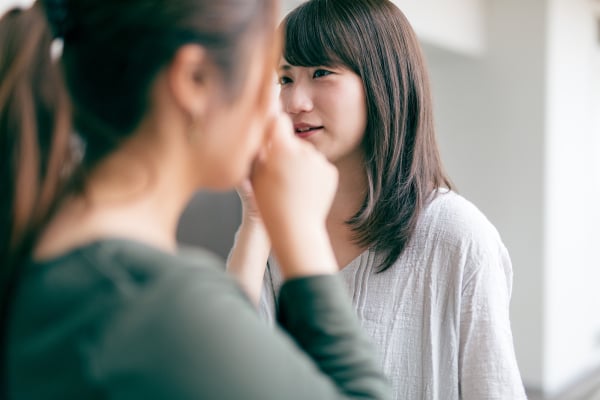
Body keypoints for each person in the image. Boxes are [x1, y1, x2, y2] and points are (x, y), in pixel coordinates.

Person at [0, 0, 392, 399]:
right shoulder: (151, 299)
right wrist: (302, 233)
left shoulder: (53, 254)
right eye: (270, 77)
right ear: (194, 80)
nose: (279, 110)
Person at [228, 0, 528, 398]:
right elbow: (228, 369)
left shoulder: (457, 235)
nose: (294, 102)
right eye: (285, 78)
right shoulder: (280, 224)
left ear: (381, 82)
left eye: (321, 72)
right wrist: (256, 220)